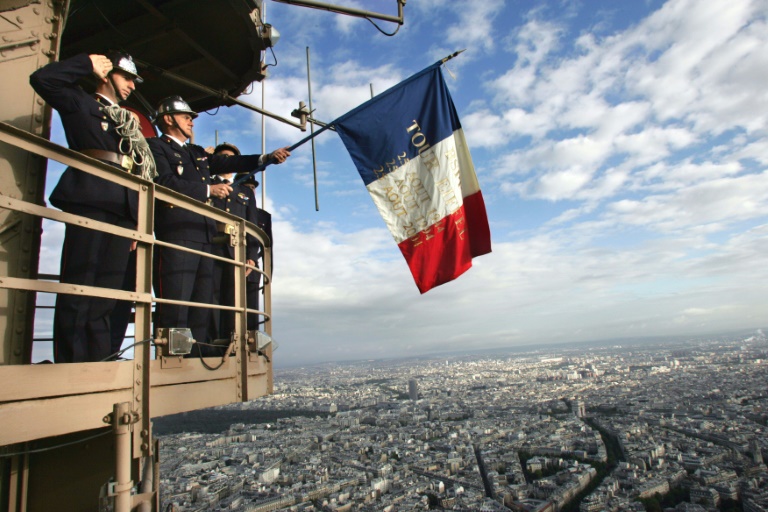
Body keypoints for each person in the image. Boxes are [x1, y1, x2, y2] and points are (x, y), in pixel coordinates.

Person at [29, 51, 153, 362]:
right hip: (92, 199)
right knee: (80, 287)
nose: (131, 86)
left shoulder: (128, 121)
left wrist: (139, 221)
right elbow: (42, 80)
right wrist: (86, 63)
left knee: (107, 293)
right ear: (106, 75)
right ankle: (72, 360)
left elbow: (139, 168)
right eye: (126, 78)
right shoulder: (81, 102)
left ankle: (99, 358)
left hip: (124, 206)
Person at [147, 96, 289, 356]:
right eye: (185, 116)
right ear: (168, 119)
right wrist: (207, 190)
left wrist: (266, 157)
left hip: (205, 235)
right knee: (176, 298)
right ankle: (172, 355)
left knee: (203, 301)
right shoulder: (155, 147)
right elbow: (163, 182)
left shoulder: (196, 153)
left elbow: (229, 163)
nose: (191, 120)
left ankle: (200, 352)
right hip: (178, 233)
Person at [207, 143, 263, 344]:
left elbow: (251, 226)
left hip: (236, 252)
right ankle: (211, 343)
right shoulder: (205, 182)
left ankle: (231, 343)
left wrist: (251, 256)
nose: (227, 160)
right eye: (222, 157)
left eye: (231, 157)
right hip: (210, 249)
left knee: (234, 301)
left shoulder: (244, 192)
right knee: (210, 299)